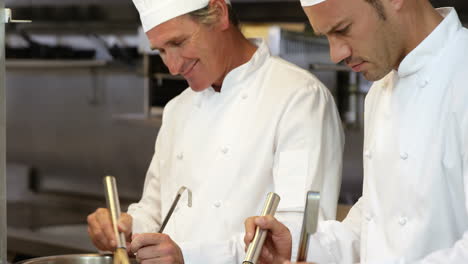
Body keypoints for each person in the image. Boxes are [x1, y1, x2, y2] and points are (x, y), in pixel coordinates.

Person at [87, 0, 344, 263]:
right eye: (161, 51)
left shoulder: (299, 98)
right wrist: (127, 229)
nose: (173, 67)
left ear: (219, 13)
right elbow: (156, 213)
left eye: (178, 43)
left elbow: (297, 235)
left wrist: (187, 256)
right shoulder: (178, 109)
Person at [244, 0, 468, 263]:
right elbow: (375, 221)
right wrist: (297, 245)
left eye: (343, 29)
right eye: (326, 36)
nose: (335, 54)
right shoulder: (380, 90)